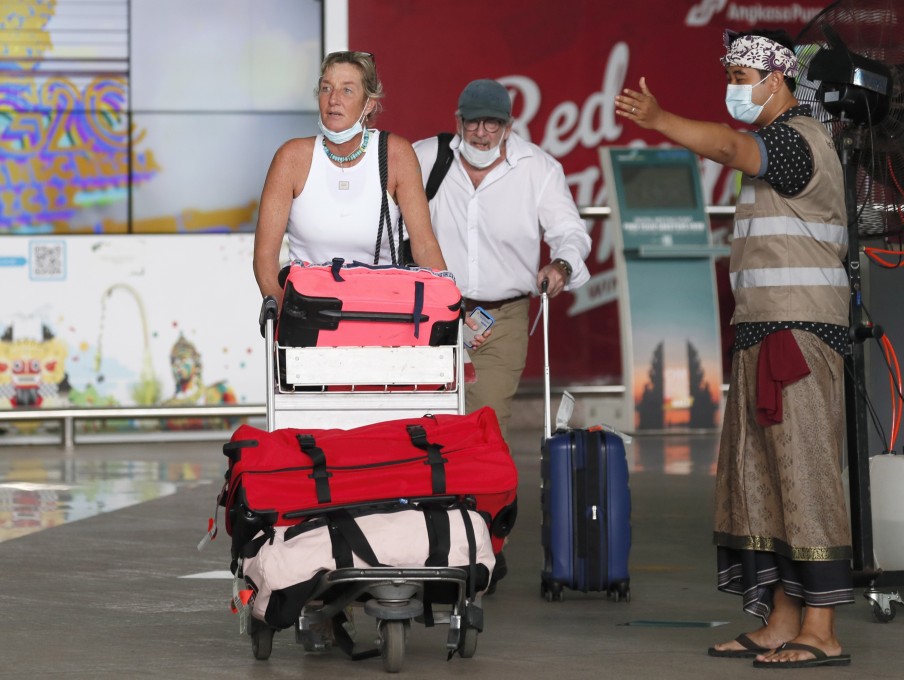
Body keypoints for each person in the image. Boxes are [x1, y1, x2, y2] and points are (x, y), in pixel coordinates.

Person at [616, 29, 854, 668]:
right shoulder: (779, 142)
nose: (733, 90)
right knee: (760, 482)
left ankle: (822, 629)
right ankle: (781, 619)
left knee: (804, 477)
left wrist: (660, 118)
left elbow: (726, 145)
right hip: (763, 331)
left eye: (742, 79)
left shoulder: (798, 141)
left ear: (776, 82)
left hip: (798, 336)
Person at [413, 79, 592, 437]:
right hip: (431, 313)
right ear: (458, 122)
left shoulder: (538, 168)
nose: (481, 133)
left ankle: (490, 495)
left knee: (486, 423)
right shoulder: (426, 157)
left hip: (502, 318)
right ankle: (437, 494)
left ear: (509, 126)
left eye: (492, 123)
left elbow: (571, 233)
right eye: (472, 122)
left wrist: (562, 265)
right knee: (427, 420)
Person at [254, 51, 446, 303]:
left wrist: (452, 307)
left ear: (369, 104)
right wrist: (283, 316)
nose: (333, 99)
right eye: (326, 88)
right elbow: (264, 256)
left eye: (347, 90)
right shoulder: (291, 157)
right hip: (308, 312)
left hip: (381, 308)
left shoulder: (396, 154)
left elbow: (424, 246)